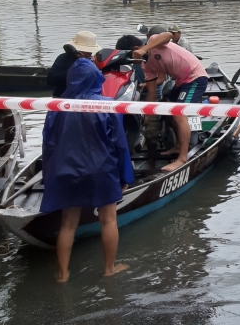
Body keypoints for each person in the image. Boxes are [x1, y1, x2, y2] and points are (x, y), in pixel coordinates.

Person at [40, 58, 134, 283]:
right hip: (101, 170)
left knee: (67, 224)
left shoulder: (56, 108)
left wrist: (49, 177)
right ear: (96, 79)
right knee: (109, 220)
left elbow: (48, 144)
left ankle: (62, 274)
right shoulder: (107, 105)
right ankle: (109, 269)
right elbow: (120, 145)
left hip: (66, 171)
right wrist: (125, 175)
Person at [132, 25, 207, 171]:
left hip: (195, 78)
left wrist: (143, 50)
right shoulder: (146, 67)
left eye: (133, 54)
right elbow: (152, 93)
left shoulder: (154, 41)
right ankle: (178, 145)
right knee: (167, 107)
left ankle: (182, 158)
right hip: (181, 81)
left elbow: (168, 35)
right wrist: (148, 115)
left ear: (136, 48)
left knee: (180, 113)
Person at [47, 31, 103, 97]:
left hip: (86, 97)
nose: (90, 54)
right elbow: (50, 80)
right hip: (61, 97)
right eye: (88, 52)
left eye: (90, 52)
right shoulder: (63, 58)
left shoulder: (92, 62)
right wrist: (72, 72)